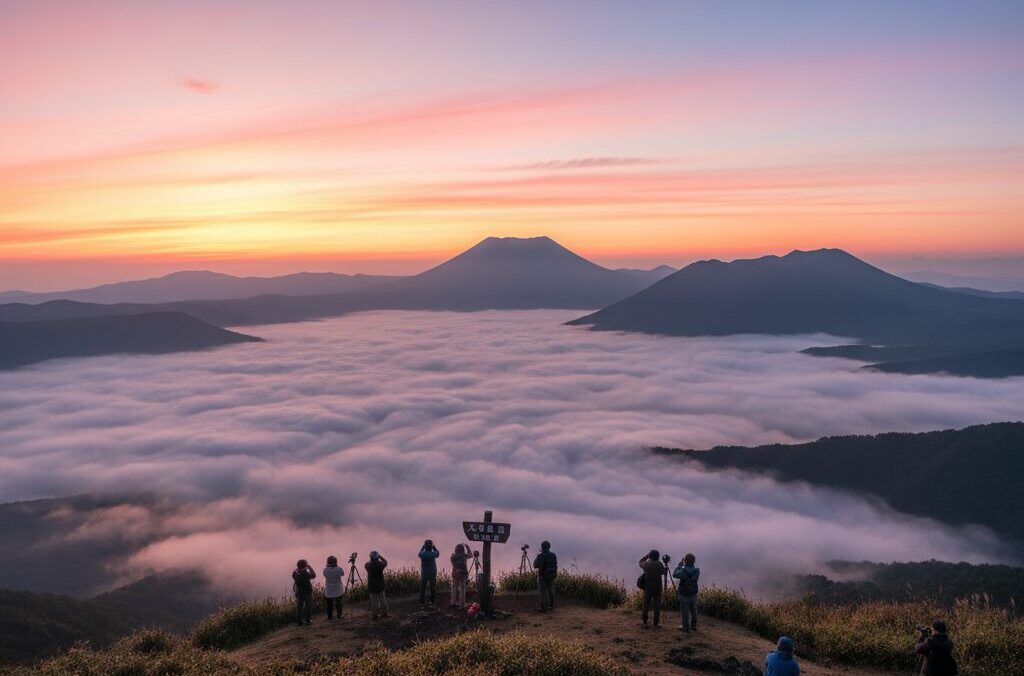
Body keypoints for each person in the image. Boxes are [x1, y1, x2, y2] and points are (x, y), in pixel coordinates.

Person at [672, 552, 700, 631]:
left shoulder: (682, 571)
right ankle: (693, 626)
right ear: (694, 561)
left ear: (685, 561)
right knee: (694, 611)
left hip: (684, 594)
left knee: (685, 612)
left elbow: (674, 574)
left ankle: (685, 627)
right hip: (693, 593)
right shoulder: (697, 570)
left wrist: (680, 565)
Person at [639, 549, 666, 627]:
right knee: (657, 605)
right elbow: (664, 572)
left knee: (646, 604)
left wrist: (646, 557)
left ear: (650, 556)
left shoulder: (647, 564)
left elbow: (640, 562)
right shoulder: (660, 564)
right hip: (658, 587)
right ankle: (656, 623)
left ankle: (645, 622)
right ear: (658, 557)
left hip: (648, 587)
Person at [532, 540, 558, 612]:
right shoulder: (553, 555)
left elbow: (535, 565)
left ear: (542, 547)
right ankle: (551, 605)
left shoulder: (540, 556)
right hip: (551, 575)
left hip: (542, 576)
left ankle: (543, 607)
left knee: (542, 592)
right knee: (551, 590)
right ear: (549, 547)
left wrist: (539, 556)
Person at [364, 550, 389, 620]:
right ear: (377, 558)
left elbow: (366, 563)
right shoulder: (380, 565)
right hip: (380, 585)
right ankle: (384, 613)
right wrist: (380, 556)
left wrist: (371, 559)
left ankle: (375, 615)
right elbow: (385, 562)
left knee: (374, 602)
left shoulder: (368, 566)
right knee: (382, 600)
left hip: (371, 586)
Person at [292, 559, 316, 626]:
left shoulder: (295, 575)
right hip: (307, 593)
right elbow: (314, 575)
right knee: (308, 607)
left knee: (299, 608)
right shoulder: (306, 574)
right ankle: (308, 621)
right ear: (305, 567)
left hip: (299, 593)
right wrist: (309, 567)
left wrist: (297, 570)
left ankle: (299, 622)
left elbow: (294, 572)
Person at [322, 555, 345, 620]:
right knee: (339, 604)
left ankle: (330, 617)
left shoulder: (325, 570)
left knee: (329, 605)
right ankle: (339, 615)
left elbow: (324, 574)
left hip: (329, 590)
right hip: (338, 589)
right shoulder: (338, 569)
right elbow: (343, 574)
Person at [418, 539, 440, 606]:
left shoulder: (423, 554)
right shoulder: (433, 554)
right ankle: (431, 601)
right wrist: (435, 548)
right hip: (433, 571)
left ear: (425, 546)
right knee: (432, 586)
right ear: (431, 547)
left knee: (423, 587)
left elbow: (419, 554)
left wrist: (422, 548)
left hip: (424, 572)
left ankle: (422, 601)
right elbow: (438, 554)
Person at [450, 544, 469, 609]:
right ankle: (462, 604)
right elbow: (471, 555)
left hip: (455, 574)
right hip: (463, 574)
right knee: (462, 589)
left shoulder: (453, 556)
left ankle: (453, 603)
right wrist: (468, 547)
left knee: (454, 588)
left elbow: (453, 565)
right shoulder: (464, 556)